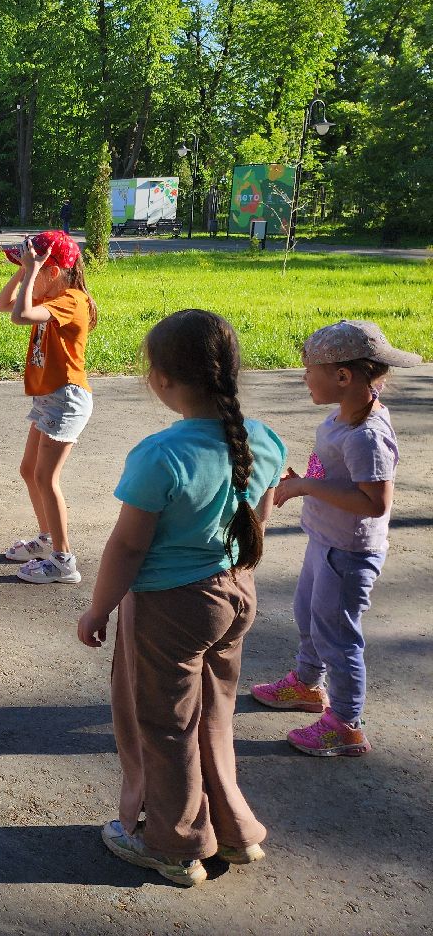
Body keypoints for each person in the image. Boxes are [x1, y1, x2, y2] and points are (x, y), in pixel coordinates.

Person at [77, 309, 286, 887]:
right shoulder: (262, 439)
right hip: (237, 590)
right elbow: (259, 519)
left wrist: (98, 609)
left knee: (164, 724)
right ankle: (235, 830)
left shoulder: (161, 455)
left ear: (162, 381)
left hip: (170, 606)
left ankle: (173, 843)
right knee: (215, 716)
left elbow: (126, 547)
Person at [249, 320, 421, 757]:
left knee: (338, 636)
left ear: (343, 376)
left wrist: (306, 487)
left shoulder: (367, 435)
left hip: (348, 553)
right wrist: (302, 479)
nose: (304, 377)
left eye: (309, 370)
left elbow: (374, 501)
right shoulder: (343, 417)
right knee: (308, 614)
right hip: (326, 539)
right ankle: (307, 684)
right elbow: (336, 477)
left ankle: (346, 723)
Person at [0, 230, 97, 584]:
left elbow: (19, 315)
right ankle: (47, 539)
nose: (27, 277)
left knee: (45, 477)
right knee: (29, 470)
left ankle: (63, 560)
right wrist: (25, 270)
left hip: (67, 398)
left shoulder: (72, 301)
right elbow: (3, 305)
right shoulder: (53, 295)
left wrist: (32, 269)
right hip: (50, 396)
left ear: (52, 273)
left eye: (35, 271)